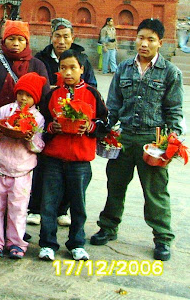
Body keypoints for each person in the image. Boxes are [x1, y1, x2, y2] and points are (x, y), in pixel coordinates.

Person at [90, 19, 184, 262]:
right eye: (141, 37)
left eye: (151, 39)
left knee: (156, 192)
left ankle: (162, 238)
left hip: (152, 141)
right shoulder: (123, 69)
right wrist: (106, 130)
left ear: (160, 43)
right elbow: (113, 105)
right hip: (124, 138)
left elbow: (174, 111)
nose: (144, 43)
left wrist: (170, 143)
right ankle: (108, 227)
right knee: (115, 185)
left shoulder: (170, 72)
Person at [0, 20, 50, 242]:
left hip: (24, 137)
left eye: (20, 39)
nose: (15, 43)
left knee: (18, 187)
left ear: (27, 42)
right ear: (3, 41)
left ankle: (15, 227)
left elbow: (45, 98)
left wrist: (35, 130)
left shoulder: (37, 65)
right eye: (11, 39)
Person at [38, 49, 108, 262]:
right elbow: (41, 123)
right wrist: (52, 128)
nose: (67, 72)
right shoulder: (52, 95)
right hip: (53, 159)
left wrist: (89, 126)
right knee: (48, 204)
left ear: (82, 70)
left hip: (80, 161)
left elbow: (104, 123)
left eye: (72, 68)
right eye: (63, 68)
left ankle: (76, 243)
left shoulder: (92, 94)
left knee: (78, 205)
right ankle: (47, 243)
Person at [30, 17, 97, 227]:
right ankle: (35, 208)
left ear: (72, 38)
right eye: (57, 36)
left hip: (75, 121)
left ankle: (63, 209)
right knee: (45, 167)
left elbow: (91, 88)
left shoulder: (82, 59)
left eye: (66, 36)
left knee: (72, 171)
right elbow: (36, 85)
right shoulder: (41, 59)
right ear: (51, 37)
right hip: (49, 117)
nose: (61, 40)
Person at [0, 72, 46, 259]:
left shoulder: (38, 118)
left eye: (28, 95)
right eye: (20, 93)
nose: (23, 98)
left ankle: (16, 242)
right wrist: (0, 132)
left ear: (35, 98)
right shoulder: (5, 111)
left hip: (22, 171)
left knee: (18, 209)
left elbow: (39, 145)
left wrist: (29, 139)